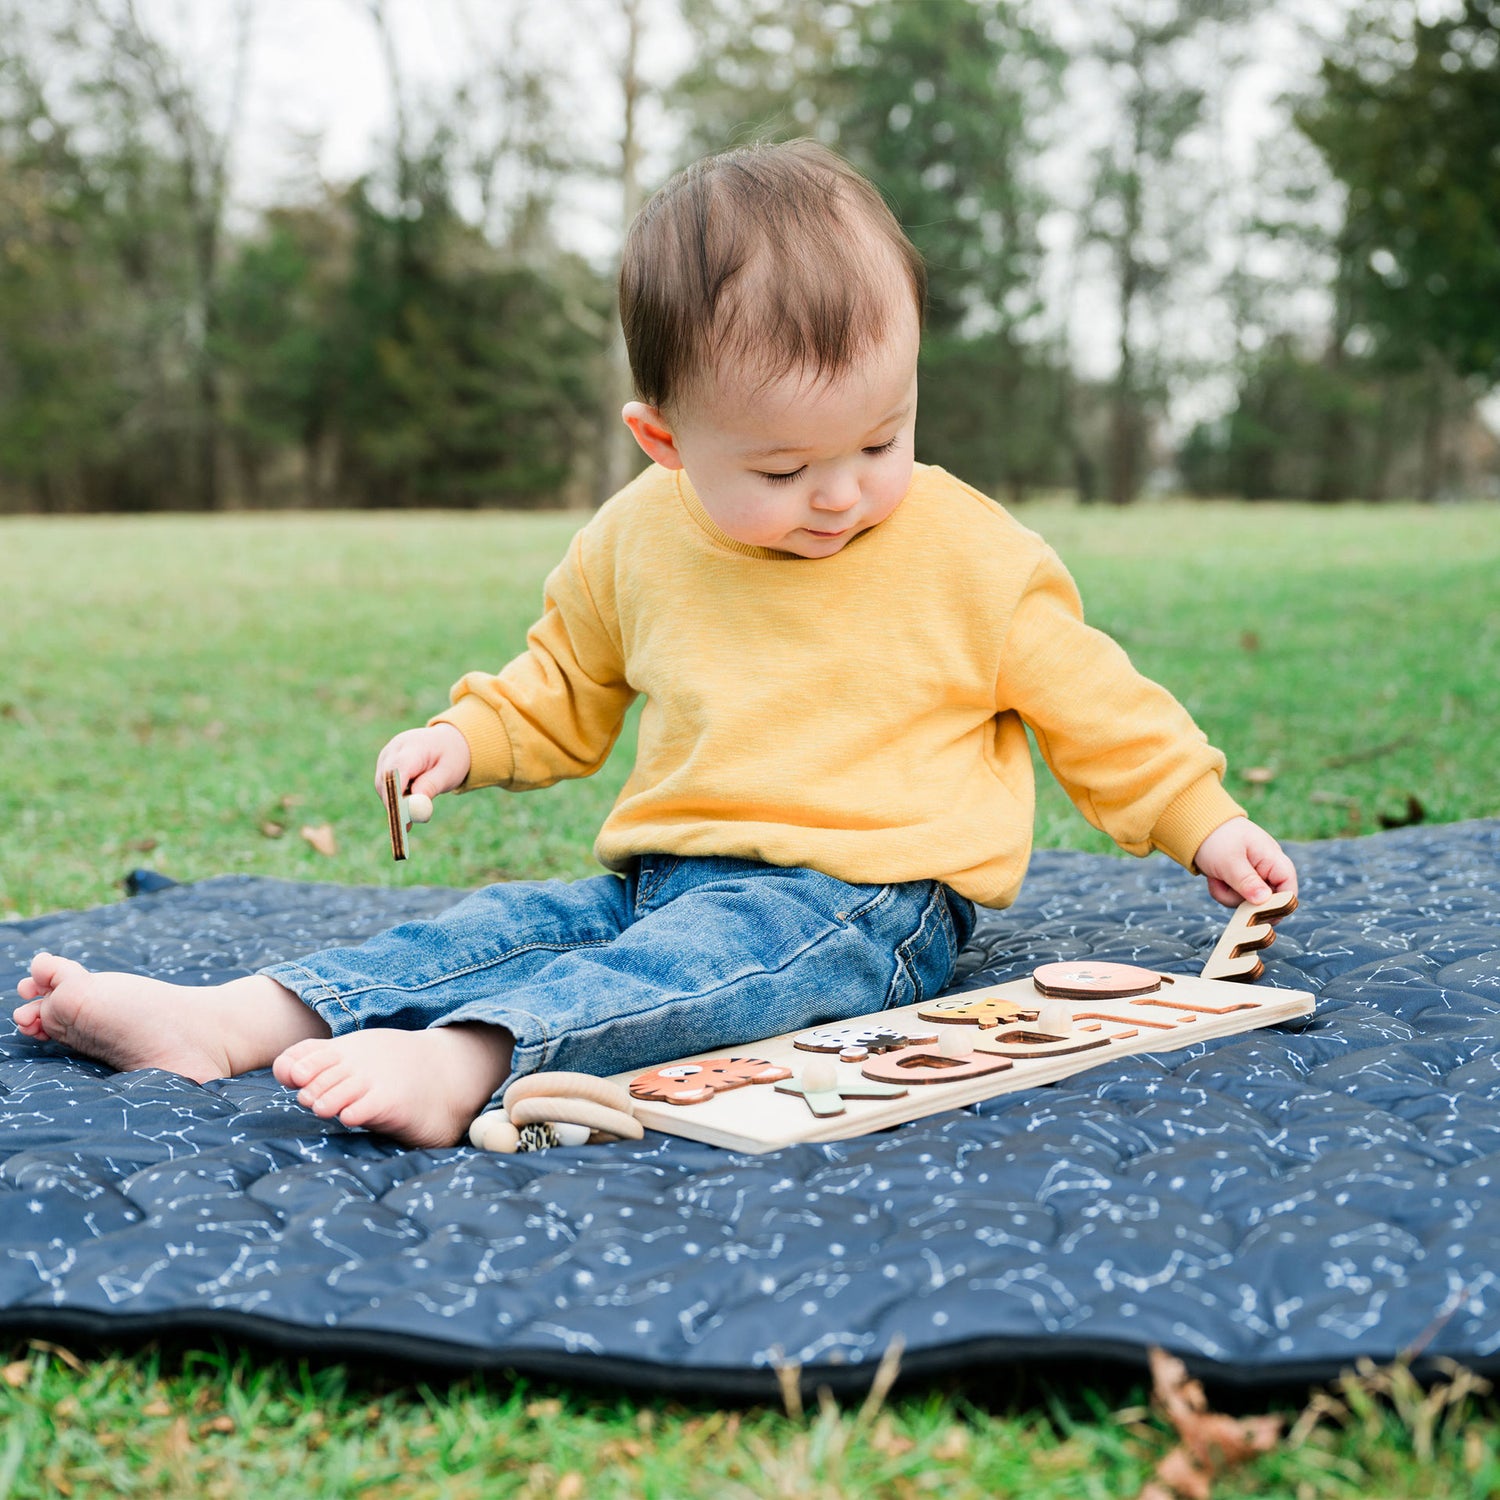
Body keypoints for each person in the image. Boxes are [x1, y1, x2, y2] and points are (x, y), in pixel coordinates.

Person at [12, 140, 1296, 1149]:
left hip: (865, 901)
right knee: (512, 922)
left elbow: (1091, 697)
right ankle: (235, 1018)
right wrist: (466, 736)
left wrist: (1195, 814)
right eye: (786, 466)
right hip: (663, 869)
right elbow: (562, 684)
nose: (843, 493)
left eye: (880, 439)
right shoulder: (637, 541)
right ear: (666, 441)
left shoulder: (965, 551)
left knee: (704, 973)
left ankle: (474, 1063)